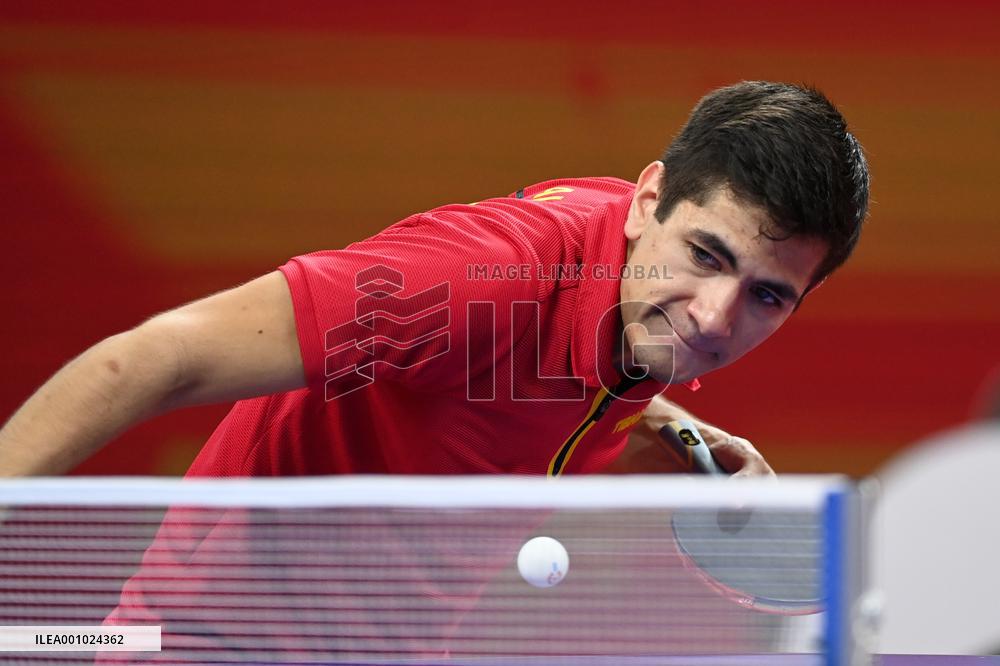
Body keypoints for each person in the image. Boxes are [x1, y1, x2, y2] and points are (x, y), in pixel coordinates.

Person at [0, 80, 870, 660]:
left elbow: (525, 395)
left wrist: (669, 428)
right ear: (648, 202)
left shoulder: (645, 303)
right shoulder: (468, 281)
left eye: (768, 297)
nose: (714, 318)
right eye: (707, 255)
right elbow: (155, 358)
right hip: (205, 645)